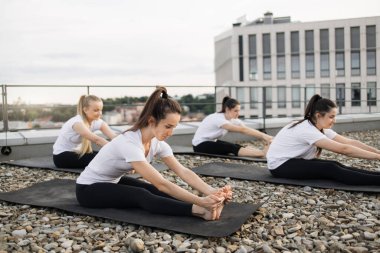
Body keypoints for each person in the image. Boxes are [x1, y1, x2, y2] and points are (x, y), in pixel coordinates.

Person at [76, 87, 231, 220]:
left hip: (111, 182)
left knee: (150, 189)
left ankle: (203, 206)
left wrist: (211, 192)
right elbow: (162, 183)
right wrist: (201, 201)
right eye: (168, 126)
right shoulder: (130, 143)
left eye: (174, 127)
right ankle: (198, 211)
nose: (171, 133)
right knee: (141, 195)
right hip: (87, 190)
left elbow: (182, 171)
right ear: (151, 121)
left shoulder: (157, 143)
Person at [266, 94, 380, 185]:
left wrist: (376, 152)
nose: (334, 121)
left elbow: (350, 142)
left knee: (335, 164)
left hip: (293, 160)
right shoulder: (307, 130)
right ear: (318, 115)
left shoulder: (317, 127)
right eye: (331, 117)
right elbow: (344, 149)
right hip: (279, 166)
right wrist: (377, 157)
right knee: (331, 168)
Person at [192, 96, 273, 158]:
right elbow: (243, 130)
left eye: (239, 111)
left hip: (211, 141)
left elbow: (247, 129)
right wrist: (264, 136)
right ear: (227, 109)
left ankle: (262, 152)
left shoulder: (232, 119)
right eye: (235, 111)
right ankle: (262, 154)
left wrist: (266, 137)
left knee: (235, 146)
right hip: (199, 146)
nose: (238, 114)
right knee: (231, 147)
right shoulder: (217, 118)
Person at [53, 95, 117, 168]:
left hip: (78, 153)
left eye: (101, 110)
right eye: (96, 110)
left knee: (106, 155)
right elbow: (97, 140)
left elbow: (114, 137)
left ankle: (125, 167)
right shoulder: (77, 123)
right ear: (85, 110)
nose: (100, 113)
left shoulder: (98, 122)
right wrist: (117, 151)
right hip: (62, 157)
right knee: (103, 159)